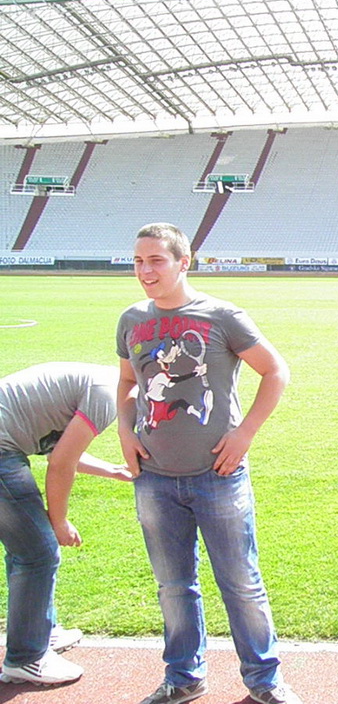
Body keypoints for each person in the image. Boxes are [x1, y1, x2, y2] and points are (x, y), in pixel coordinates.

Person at [116, 223, 300, 704]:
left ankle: (265, 680)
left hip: (218, 475)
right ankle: (184, 677)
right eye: (138, 261)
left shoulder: (221, 316)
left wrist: (245, 433)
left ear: (183, 262)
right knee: (173, 586)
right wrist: (124, 430)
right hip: (154, 478)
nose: (145, 271)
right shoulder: (131, 319)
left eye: (156, 260)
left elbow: (275, 370)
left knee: (241, 583)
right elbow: (128, 382)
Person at [0, 362, 133, 685]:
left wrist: (113, 471)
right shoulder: (105, 394)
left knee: (27, 550)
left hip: (6, 448)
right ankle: (27, 658)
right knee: (38, 552)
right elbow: (60, 463)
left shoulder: (104, 384)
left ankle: (40, 629)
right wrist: (58, 521)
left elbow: (59, 451)